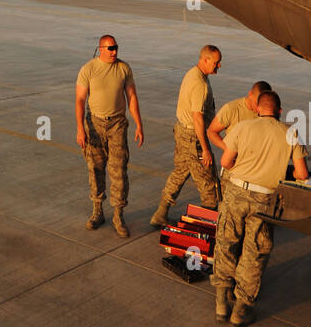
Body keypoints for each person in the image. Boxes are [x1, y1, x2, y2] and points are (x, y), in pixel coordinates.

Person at [212, 90, 308, 327]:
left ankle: (221, 301)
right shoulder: (290, 133)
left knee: (226, 242)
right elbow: (302, 174)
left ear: (257, 109)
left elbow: (225, 162)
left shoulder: (243, 127)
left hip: (236, 192)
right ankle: (241, 309)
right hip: (264, 200)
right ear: (279, 111)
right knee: (254, 252)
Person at [76, 34, 144, 237]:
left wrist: (139, 125)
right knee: (95, 169)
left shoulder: (124, 68)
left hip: (117, 125)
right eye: (111, 48)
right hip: (94, 124)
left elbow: (131, 97)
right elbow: (80, 100)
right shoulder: (88, 69)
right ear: (101, 49)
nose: (115, 52)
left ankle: (118, 215)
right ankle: (98, 212)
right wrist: (80, 129)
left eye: (117, 48)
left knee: (119, 171)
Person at [150, 46, 221, 226]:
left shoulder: (193, 73)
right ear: (205, 60)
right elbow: (197, 117)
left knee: (180, 172)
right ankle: (207, 227)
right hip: (193, 137)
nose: (219, 66)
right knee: (208, 184)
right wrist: (205, 149)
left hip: (182, 131)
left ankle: (160, 213)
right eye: (216, 62)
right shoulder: (200, 84)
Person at [207, 80, 273, 185]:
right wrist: (228, 149)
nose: (258, 108)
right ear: (250, 94)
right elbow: (212, 132)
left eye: (262, 103)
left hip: (256, 168)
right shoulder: (231, 109)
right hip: (233, 167)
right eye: (257, 103)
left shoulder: (267, 112)